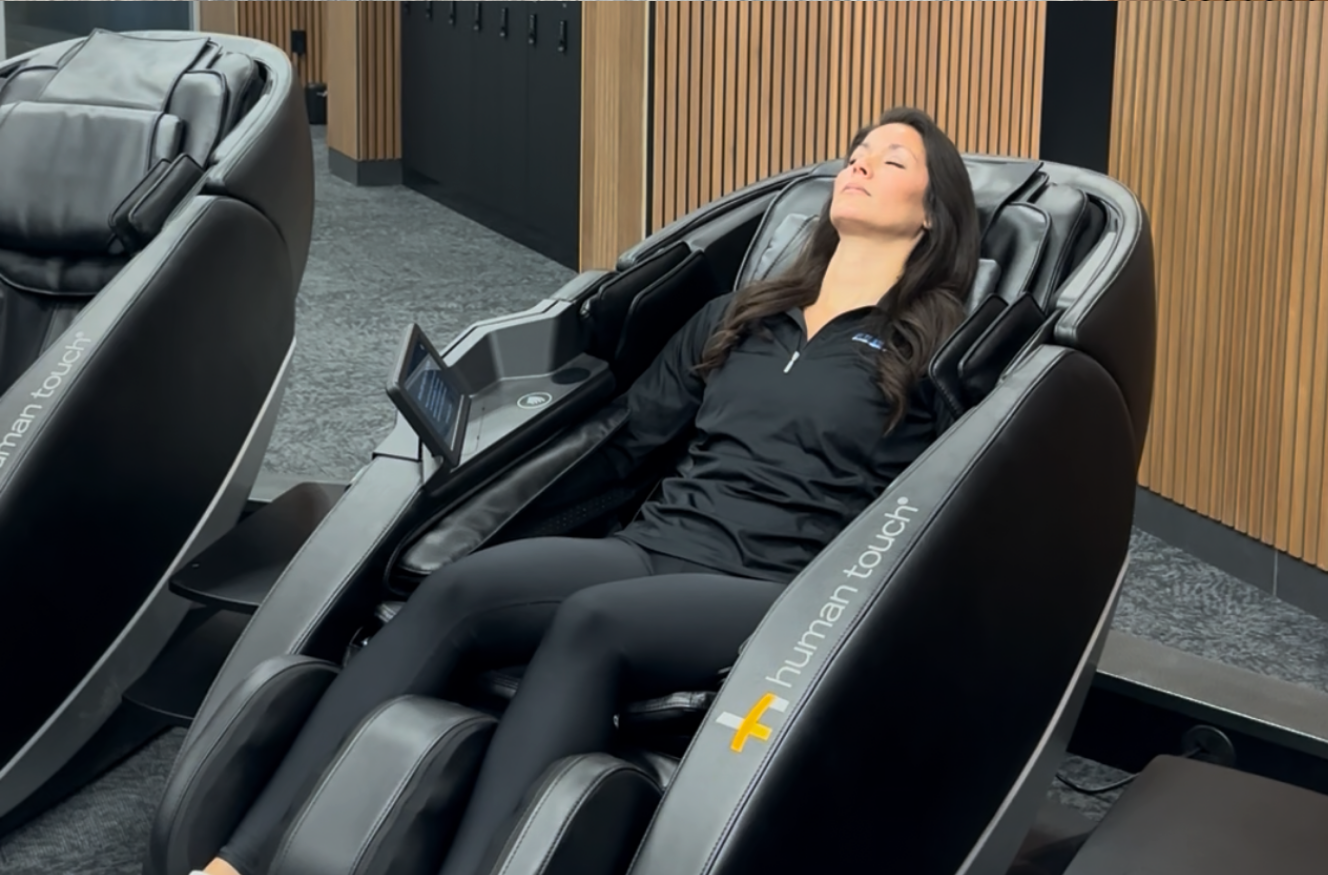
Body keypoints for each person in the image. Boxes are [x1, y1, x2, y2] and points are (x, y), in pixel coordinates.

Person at [195, 105, 980, 875]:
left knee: (593, 621)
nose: (861, 163)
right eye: (858, 151)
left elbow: (939, 515)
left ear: (931, 216)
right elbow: (628, 439)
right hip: (651, 548)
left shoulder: (931, 353)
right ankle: (244, 855)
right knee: (459, 590)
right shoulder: (738, 318)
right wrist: (476, 485)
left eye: (893, 159)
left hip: (772, 586)